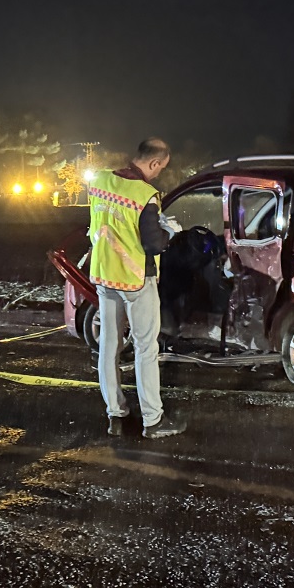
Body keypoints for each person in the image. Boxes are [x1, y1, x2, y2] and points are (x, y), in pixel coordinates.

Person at [87, 138, 186, 438]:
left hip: (104, 275)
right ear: (154, 163)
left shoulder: (101, 180)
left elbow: (102, 222)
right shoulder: (146, 195)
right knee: (145, 349)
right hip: (136, 280)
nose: (159, 174)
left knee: (109, 346)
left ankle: (116, 416)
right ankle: (153, 420)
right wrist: (169, 232)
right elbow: (153, 244)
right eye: (161, 168)